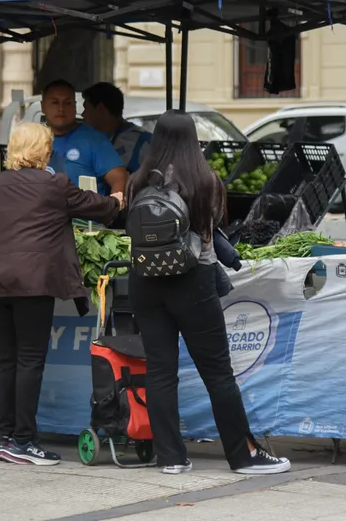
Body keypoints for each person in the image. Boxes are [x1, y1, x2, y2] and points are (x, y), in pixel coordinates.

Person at [124, 110, 292, 476]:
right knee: (217, 374)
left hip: (145, 281)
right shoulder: (205, 181)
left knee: (160, 371)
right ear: (191, 139)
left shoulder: (136, 181)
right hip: (192, 280)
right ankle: (242, 456)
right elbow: (211, 228)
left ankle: (170, 457)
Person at [0, 123, 122, 466]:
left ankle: (7, 436)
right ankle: (25, 442)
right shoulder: (54, 184)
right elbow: (97, 207)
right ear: (44, 151)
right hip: (34, 285)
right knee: (29, 360)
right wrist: (116, 201)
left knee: (5, 361)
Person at [42, 80, 126, 196]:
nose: (61, 108)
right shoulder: (32, 139)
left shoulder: (93, 140)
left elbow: (119, 178)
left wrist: (114, 206)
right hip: (42, 212)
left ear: (75, 106)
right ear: (43, 106)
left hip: (84, 212)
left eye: (68, 103)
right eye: (55, 102)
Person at [81, 82, 152, 174]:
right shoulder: (86, 141)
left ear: (100, 108)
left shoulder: (142, 143)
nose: (83, 114)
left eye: (86, 108)